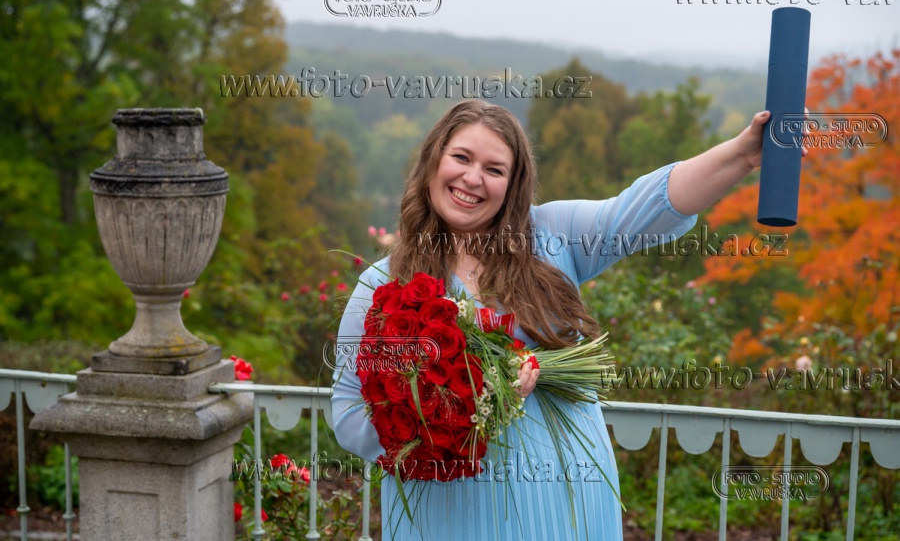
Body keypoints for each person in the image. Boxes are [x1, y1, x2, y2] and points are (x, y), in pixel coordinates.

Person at [331, 99, 787, 540]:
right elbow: (349, 409)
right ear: (433, 160)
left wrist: (742, 154)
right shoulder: (382, 283)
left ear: (513, 184)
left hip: (563, 503)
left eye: (494, 170)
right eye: (461, 158)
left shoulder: (553, 238)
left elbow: (644, 208)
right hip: (443, 510)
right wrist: (437, 423)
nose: (472, 178)